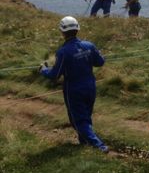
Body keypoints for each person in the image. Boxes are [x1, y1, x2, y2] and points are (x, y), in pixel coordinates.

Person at [39, 16, 109, 153]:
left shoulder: (63, 52)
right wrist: (101, 55)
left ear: (62, 32)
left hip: (74, 90)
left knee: (79, 121)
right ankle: (84, 143)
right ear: (77, 29)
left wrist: (43, 70)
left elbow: (55, 74)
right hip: (90, 87)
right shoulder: (89, 45)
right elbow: (100, 62)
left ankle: (100, 146)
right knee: (86, 116)